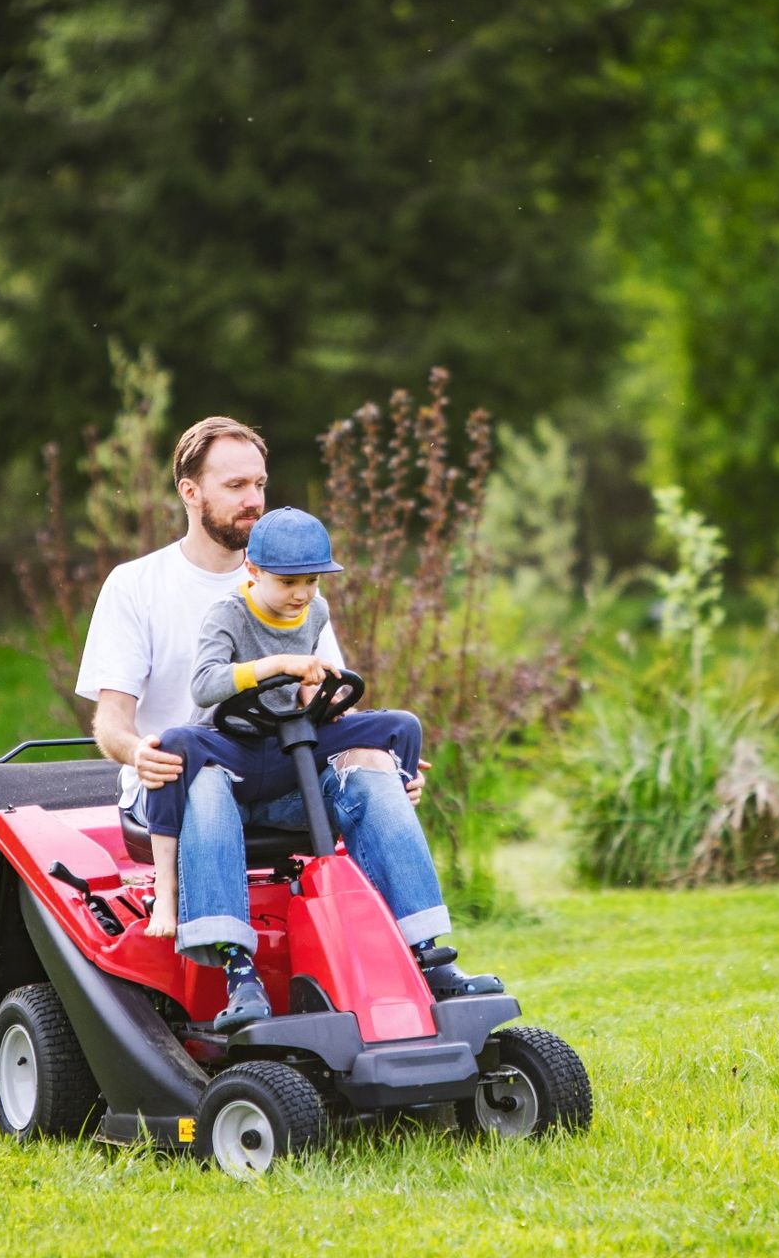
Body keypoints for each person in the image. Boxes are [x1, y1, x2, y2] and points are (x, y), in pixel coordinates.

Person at [76, 417, 500, 1031]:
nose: (253, 499)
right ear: (190, 492)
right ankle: (236, 976)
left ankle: (427, 960)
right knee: (206, 779)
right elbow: (110, 724)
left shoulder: (296, 582)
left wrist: (381, 760)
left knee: (376, 771)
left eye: (260, 484)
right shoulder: (137, 585)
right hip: (181, 782)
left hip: (283, 775)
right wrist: (140, 753)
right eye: (235, 485)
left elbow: (329, 702)